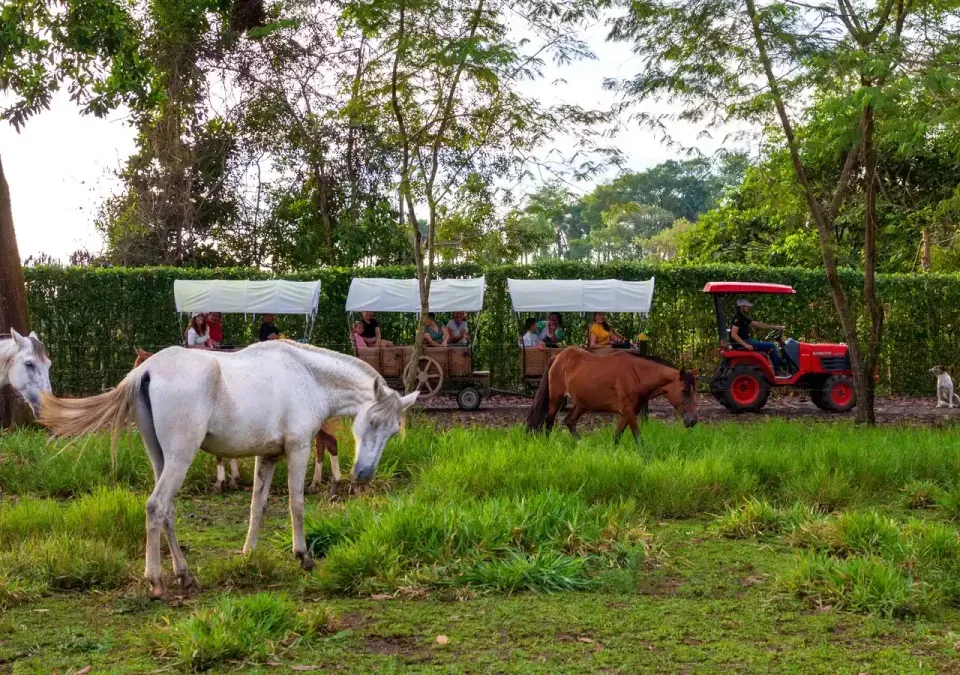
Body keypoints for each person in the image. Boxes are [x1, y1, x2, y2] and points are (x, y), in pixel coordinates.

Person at [730, 298, 786, 372]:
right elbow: (733, 334)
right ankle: (778, 369)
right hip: (745, 342)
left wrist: (774, 327)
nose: (749, 307)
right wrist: (746, 345)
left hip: (747, 341)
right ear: (742, 307)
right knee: (772, 345)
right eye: (747, 306)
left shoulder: (742, 317)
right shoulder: (738, 318)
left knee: (769, 348)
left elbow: (757, 324)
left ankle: (778, 367)